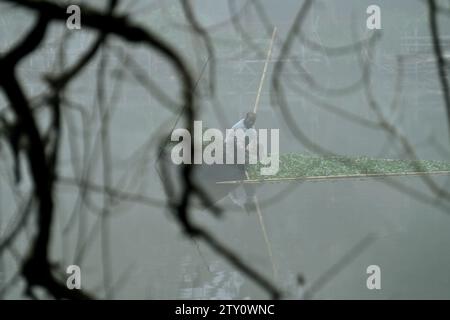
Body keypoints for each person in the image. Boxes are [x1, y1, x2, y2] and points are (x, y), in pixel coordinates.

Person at [225, 112, 258, 214]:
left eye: (252, 121)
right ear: (245, 119)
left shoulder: (252, 130)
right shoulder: (238, 127)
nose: (250, 122)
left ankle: (242, 177)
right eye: (249, 120)